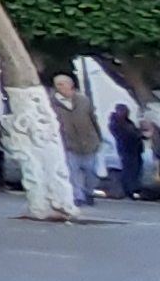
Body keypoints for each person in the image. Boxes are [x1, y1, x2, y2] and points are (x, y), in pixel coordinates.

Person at [52, 73, 102, 208]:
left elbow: (93, 119)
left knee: (91, 171)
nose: (60, 87)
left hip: (88, 142)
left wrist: (98, 137)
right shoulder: (53, 103)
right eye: (58, 84)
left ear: (71, 85)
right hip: (68, 143)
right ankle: (78, 196)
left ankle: (89, 192)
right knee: (72, 172)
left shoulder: (84, 101)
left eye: (63, 84)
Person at [110, 103, 146, 199]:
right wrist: (141, 134)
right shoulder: (118, 123)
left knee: (134, 170)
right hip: (128, 149)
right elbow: (130, 134)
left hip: (133, 149)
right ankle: (132, 191)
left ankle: (133, 189)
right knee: (130, 170)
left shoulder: (124, 122)